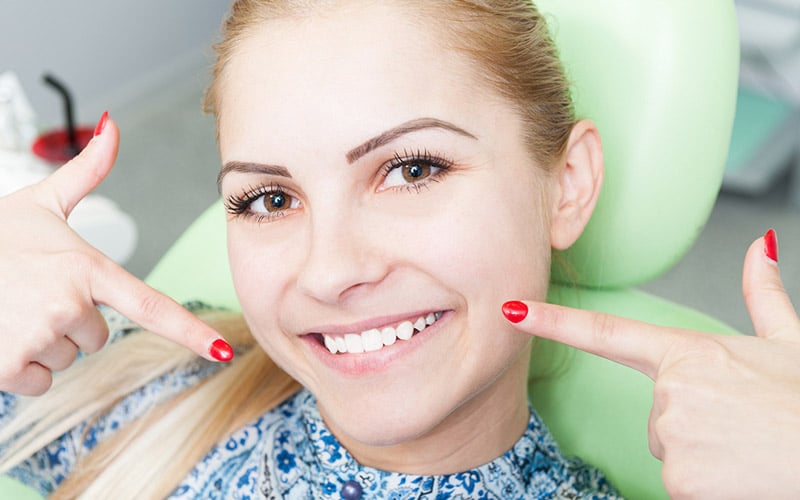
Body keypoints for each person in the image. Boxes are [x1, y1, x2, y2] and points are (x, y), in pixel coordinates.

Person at [0, 1, 797, 499]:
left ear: (567, 184)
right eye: (269, 199)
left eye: (412, 170)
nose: (333, 269)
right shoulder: (149, 393)